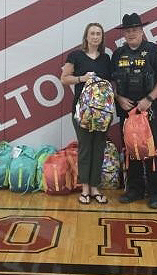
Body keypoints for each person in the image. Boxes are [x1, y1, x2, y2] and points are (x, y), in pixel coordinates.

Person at [111, 13, 157, 209]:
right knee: (131, 150)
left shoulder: (155, 51)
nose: (131, 34)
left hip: (150, 112)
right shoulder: (117, 54)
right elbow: (112, 81)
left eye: (134, 30)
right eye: (127, 31)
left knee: (152, 150)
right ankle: (134, 190)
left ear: (141, 31)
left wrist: (149, 99)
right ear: (124, 34)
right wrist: (118, 98)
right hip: (127, 113)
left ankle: (155, 192)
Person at [61, 23, 111, 204]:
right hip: (81, 112)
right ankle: (85, 188)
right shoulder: (75, 56)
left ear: (102, 37)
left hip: (102, 113)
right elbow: (64, 79)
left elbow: (111, 83)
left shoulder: (106, 58)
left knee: (99, 148)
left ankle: (95, 187)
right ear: (86, 36)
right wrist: (82, 78)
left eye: (98, 33)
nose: (95, 36)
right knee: (85, 148)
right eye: (92, 33)